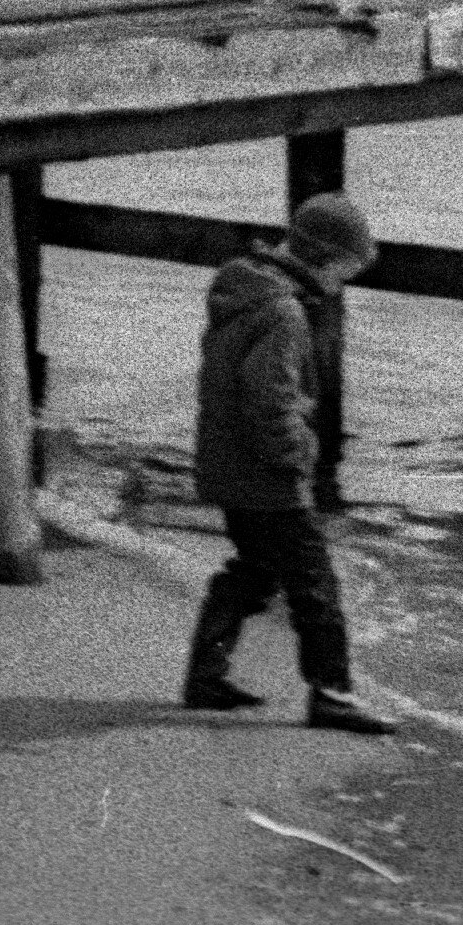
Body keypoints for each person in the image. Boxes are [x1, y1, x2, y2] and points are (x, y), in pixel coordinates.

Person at [182, 190, 393, 734]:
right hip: (267, 475)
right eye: (347, 269)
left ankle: (205, 675)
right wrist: (298, 457)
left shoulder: (245, 291)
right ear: (325, 258)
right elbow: (269, 398)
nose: (344, 282)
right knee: (315, 586)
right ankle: (333, 695)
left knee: (256, 570)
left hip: (227, 464)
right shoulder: (283, 312)